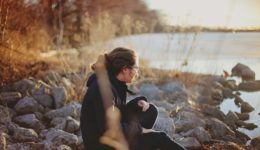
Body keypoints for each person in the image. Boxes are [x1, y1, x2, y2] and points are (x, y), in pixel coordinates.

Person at [80, 47, 186, 150]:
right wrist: (140, 130)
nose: (137, 73)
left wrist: (136, 103)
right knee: (159, 138)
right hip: (102, 145)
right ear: (125, 69)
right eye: (136, 68)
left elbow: (116, 112)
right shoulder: (102, 89)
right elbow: (108, 128)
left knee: (150, 111)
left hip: (111, 136)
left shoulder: (115, 83)